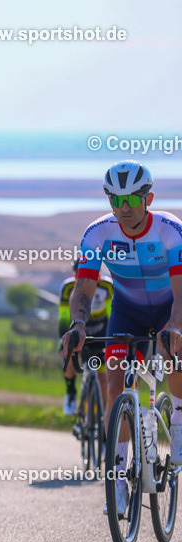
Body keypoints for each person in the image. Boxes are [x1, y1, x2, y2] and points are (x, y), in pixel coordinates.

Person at [61, 160, 182, 517]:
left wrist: (174, 325)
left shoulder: (171, 230)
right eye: (115, 199)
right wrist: (79, 325)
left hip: (170, 307)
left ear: (149, 198)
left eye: (131, 198)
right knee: (115, 385)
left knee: (173, 357)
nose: (124, 207)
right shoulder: (97, 233)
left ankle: (177, 420)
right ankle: (116, 481)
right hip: (126, 310)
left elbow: (181, 290)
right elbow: (84, 287)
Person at [58, 257, 113, 415]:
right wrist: (62, 343)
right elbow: (63, 318)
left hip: (101, 331)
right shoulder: (67, 288)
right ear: (75, 277)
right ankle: (71, 392)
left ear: (100, 276)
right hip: (77, 328)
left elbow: (111, 315)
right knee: (68, 354)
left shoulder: (108, 286)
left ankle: (103, 420)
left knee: (103, 380)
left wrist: (111, 342)